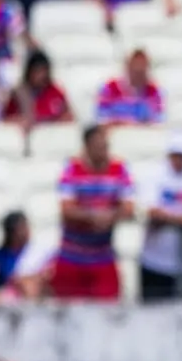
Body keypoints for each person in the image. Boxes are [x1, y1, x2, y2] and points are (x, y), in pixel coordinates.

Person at [53, 125, 135, 300]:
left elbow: (129, 208)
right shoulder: (72, 170)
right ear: (87, 146)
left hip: (103, 257)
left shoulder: (118, 170)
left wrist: (110, 216)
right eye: (98, 146)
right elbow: (66, 210)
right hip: (72, 257)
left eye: (105, 146)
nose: (103, 150)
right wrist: (93, 217)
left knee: (108, 314)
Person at [138, 134, 182, 302]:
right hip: (155, 261)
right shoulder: (155, 174)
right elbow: (152, 212)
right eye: (175, 155)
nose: (179, 160)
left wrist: (170, 217)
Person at [0, 211, 51, 303]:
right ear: (11, 232)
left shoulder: (38, 252)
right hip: (5, 301)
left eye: (26, 226)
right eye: (22, 228)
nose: (26, 231)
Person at [3, 50, 74, 127]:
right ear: (29, 72)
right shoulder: (19, 94)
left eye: (44, 71)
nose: (42, 75)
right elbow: (6, 119)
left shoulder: (56, 91)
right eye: (38, 71)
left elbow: (69, 116)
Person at [95, 48, 165, 126]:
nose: (138, 69)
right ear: (127, 66)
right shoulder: (111, 87)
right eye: (135, 66)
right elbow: (101, 117)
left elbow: (159, 119)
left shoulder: (154, 91)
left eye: (142, 67)